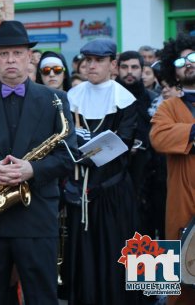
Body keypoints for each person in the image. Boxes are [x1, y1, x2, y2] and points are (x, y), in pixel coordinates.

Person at [0, 21, 76, 305]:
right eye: (4, 54)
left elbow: (67, 156)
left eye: (17, 54)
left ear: (29, 57)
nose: (11, 60)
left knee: (42, 298)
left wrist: (32, 169)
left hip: (37, 218)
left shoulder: (56, 100)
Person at [64, 39, 137, 305]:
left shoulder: (125, 100)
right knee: (82, 253)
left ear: (113, 65)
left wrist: (84, 153)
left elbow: (123, 143)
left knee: (113, 252)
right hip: (78, 190)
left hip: (112, 191)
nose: (91, 65)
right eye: (87, 60)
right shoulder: (71, 97)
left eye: (99, 60)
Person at [150, 34, 195, 305]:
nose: (188, 63)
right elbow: (159, 137)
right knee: (182, 277)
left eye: (194, 58)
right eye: (181, 60)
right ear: (173, 70)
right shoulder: (168, 106)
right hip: (183, 200)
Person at [115, 51, 158, 237]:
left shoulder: (151, 99)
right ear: (117, 69)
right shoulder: (111, 97)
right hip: (116, 172)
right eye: (124, 67)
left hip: (148, 172)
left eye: (134, 67)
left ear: (142, 70)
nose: (129, 72)